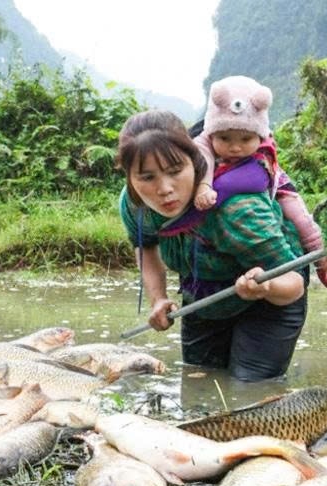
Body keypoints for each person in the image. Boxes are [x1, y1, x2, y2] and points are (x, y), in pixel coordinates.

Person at [116, 109, 308, 382]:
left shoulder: (237, 210)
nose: (165, 189)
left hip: (271, 295)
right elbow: (145, 247)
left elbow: (294, 283)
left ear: (195, 160)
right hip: (205, 293)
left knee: (249, 389)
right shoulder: (136, 206)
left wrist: (266, 286)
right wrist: (157, 298)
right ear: (130, 178)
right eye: (147, 178)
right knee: (199, 382)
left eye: (175, 171)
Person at [192, 75, 327, 296]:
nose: (235, 147)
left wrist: (213, 193)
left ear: (258, 135)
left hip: (277, 186)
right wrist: (204, 185)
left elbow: (252, 180)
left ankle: (322, 261)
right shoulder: (205, 138)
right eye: (225, 139)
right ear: (213, 132)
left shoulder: (263, 152)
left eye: (245, 140)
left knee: (302, 220)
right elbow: (201, 154)